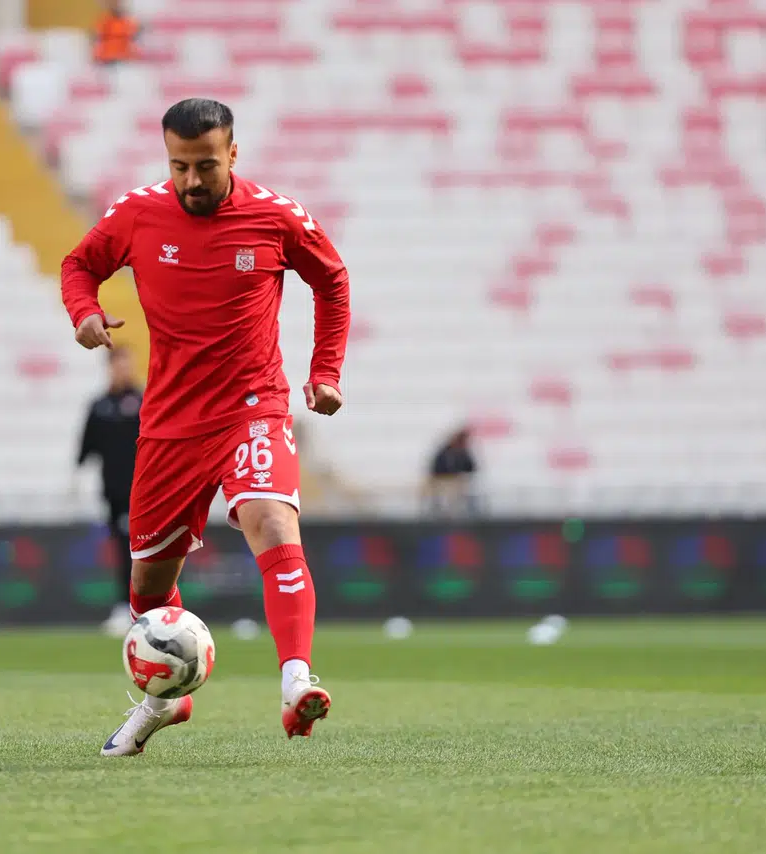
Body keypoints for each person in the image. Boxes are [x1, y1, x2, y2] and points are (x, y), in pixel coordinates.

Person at [61, 98, 351, 756]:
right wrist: (84, 313)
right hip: (169, 424)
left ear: (234, 155)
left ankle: (296, 679)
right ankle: (167, 699)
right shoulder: (139, 213)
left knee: (272, 521)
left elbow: (331, 280)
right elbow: (78, 265)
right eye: (179, 166)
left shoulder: (275, 216)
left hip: (253, 405)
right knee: (148, 589)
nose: (192, 180)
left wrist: (325, 370)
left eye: (206, 166)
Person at [75, 346, 143, 637]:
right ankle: (125, 606)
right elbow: (85, 449)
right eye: (117, 364)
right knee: (123, 549)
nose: (121, 370)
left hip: (144, 491)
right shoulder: (99, 406)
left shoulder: (143, 402)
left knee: (143, 550)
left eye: (125, 364)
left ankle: (140, 607)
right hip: (114, 493)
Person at [423, 426, 479, 516]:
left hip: (456, 482)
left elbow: (472, 467)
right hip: (442, 481)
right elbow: (436, 468)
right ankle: (441, 513)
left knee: (467, 488)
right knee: (451, 490)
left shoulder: (464, 452)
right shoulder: (446, 451)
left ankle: (470, 513)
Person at [91, 0, 138, 66]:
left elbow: (133, 39)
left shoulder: (127, 22)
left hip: (124, 60)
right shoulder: (105, 21)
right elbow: (97, 40)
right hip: (106, 60)